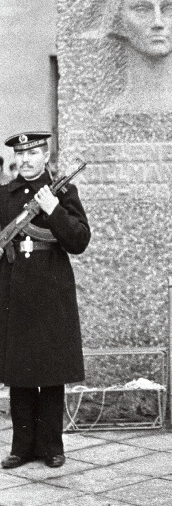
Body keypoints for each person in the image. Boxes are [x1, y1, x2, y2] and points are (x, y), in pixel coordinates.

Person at [0, 132, 90, 469]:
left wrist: (54, 211)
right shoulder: (4, 195)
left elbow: (79, 240)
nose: (25, 160)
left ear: (46, 155)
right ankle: (21, 447)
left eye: (32, 153)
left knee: (51, 371)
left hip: (52, 287)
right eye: (20, 154)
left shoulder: (63, 192)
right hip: (14, 289)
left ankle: (52, 446)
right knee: (20, 371)